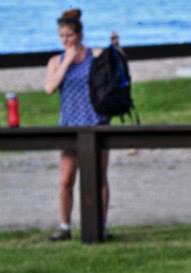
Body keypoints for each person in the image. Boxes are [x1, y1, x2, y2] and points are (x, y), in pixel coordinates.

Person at [44, 9, 119, 241]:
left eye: (70, 36)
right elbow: (49, 88)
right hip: (69, 125)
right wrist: (67, 61)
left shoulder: (94, 55)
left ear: (79, 34)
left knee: (99, 178)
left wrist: (117, 48)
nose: (67, 40)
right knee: (67, 179)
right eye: (62, 37)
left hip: (95, 122)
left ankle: (102, 226)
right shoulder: (56, 61)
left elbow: (117, 70)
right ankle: (65, 226)